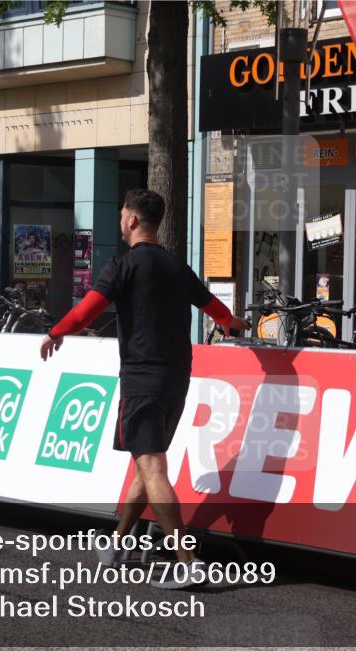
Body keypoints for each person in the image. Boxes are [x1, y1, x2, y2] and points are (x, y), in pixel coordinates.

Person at [40, 189, 249, 589]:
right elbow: (216, 310)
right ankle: (118, 545)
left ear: (133, 220)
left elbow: (86, 313)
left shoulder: (123, 266)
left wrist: (55, 332)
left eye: (122, 215)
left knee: (152, 465)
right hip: (177, 377)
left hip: (142, 377)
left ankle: (188, 562)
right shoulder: (176, 266)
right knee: (146, 461)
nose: (121, 220)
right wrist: (235, 324)